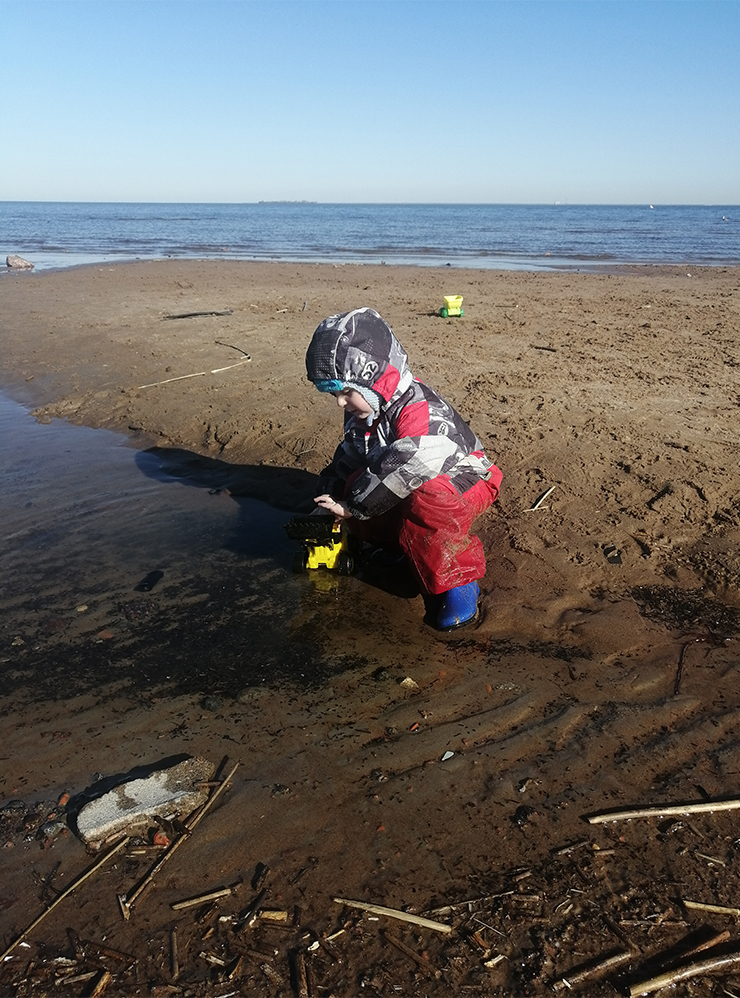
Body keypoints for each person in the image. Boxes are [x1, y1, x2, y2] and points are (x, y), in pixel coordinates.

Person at [305, 307, 502, 630]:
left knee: (425, 494)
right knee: (356, 483)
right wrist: (330, 496)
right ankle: (407, 548)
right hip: (407, 479)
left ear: (376, 380)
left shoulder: (419, 409)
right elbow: (351, 456)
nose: (341, 403)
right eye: (335, 394)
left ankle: (458, 581)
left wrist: (353, 505)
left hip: (465, 480)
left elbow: (414, 462)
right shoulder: (363, 412)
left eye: (346, 392)